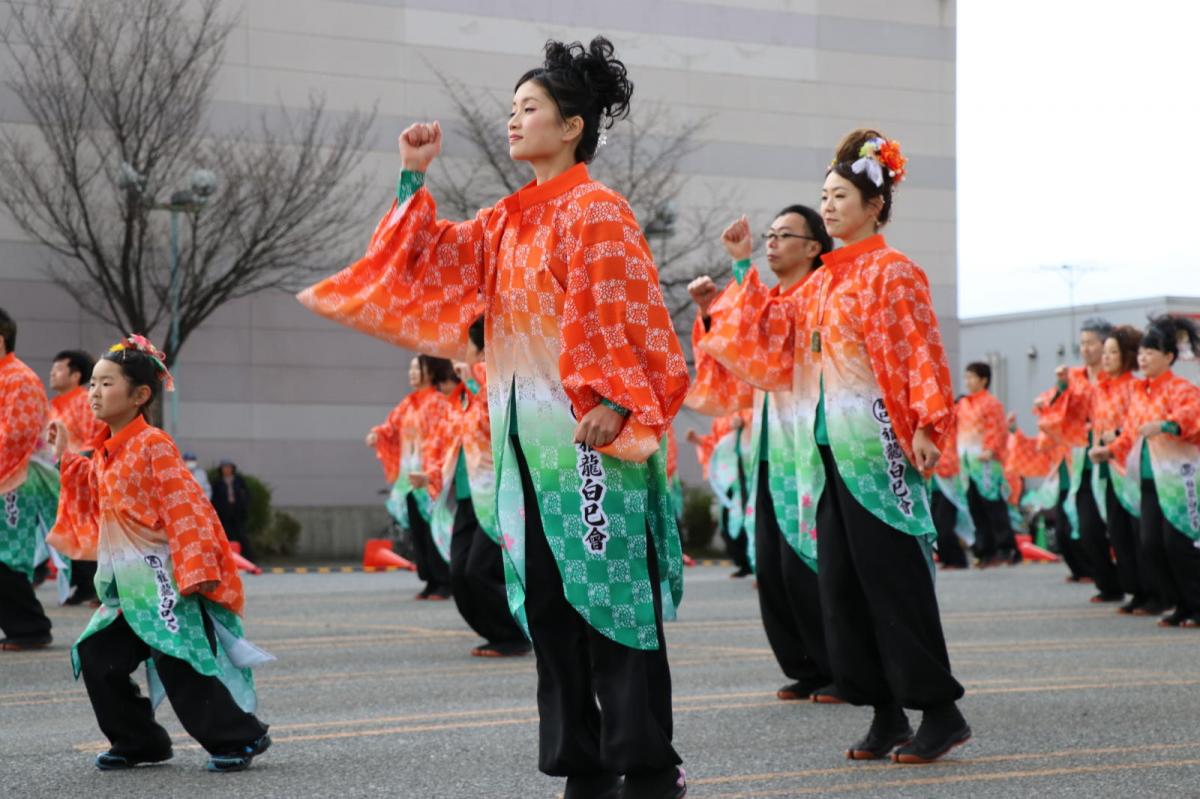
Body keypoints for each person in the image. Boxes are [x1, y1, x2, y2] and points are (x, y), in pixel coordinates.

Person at [298, 37, 688, 799]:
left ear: (572, 125)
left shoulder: (597, 210)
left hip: (588, 447)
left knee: (610, 604)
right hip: (523, 450)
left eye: (529, 108)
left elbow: (633, 318)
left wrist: (616, 401)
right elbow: (416, 265)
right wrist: (413, 176)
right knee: (548, 607)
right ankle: (584, 765)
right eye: (510, 108)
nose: (513, 120)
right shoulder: (502, 223)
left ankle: (645, 765)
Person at [48, 335, 271, 772]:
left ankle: (240, 737)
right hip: (128, 589)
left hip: (165, 581)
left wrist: (197, 569)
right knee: (96, 657)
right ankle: (140, 742)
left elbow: (186, 509)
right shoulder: (107, 451)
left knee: (180, 661)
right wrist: (64, 456)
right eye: (92, 384)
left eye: (106, 384)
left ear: (140, 395)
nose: (94, 393)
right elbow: (94, 486)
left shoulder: (154, 444)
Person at [688, 205, 841, 704]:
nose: (771, 243)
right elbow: (737, 356)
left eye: (784, 235)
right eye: (769, 235)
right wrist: (713, 309)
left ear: (814, 247)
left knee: (811, 561)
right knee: (773, 565)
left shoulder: (822, 293)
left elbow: (768, 333)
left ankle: (843, 666)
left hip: (815, 442)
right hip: (772, 441)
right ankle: (805, 665)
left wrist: (738, 272)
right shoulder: (767, 295)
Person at [426, 317, 531, 657]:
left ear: (483, 349)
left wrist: (477, 373)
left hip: (496, 496)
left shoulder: (498, 383)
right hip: (468, 495)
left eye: (470, 347)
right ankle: (495, 632)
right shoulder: (466, 395)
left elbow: (495, 410)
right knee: (459, 574)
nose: (465, 355)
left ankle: (515, 633)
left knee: (479, 571)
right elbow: (449, 441)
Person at [1092, 315, 1200, 628]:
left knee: (1178, 543)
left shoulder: (1182, 389)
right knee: (1151, 543)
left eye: (1151, 352)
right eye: (1141, 352)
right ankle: (1179, 603)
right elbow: (1130, 433)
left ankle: (1195, 604)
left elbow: (1191, 419)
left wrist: (1165, 424)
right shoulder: (1141, 392)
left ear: (1169, 357)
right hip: (1149, 480)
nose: (1143, 357)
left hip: (1178, 479)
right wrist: (1108, 450)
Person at [0, 308, 55, 651]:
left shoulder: (19, 378)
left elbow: (15, 435)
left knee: (6, 557)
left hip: (14, 480)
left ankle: (30, 627)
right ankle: (24, 625)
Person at [1093, 326, 1153, 613]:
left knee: (1138, 532)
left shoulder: (1134, 386)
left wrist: (1114, 436)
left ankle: (1151, 591)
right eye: (1104, 352)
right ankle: (1133, 589)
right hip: (1108, 466)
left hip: (1131, 467)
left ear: (1127, 355)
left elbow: (1135, 424)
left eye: (1113, 352)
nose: (1106, 357)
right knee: (1118, 533)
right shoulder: (1101, 388)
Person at [390, 355, 459, 600]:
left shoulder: (438, 402)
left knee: (435, 528)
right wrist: (379, 435)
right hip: (410, 478)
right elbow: (392, 426)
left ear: (429, 372)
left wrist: (433, 471)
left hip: (430, 475)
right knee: (418, 531)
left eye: (416, 368)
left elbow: (444, 437)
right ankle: (429, 578)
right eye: (409, 369)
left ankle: (443, 581)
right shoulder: (408, 403)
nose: (411, 373)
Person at [47, 349, 106, 604]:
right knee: (67, 529)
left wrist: (80, 460)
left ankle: (93, 585)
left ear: (75, 375)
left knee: (86, 529)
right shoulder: (53, 406)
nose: (52, 373)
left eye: (59, 368)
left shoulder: (85, 401)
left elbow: (98, 435)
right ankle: (82, 584)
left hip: (82, 474)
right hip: (57, 476)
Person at [957, 363, 1018, 566]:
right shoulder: (963, 404)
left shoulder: (991, 403)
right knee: (975, 507)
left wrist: (990, 450)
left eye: (972, 377)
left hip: (986, 463)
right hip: (967, 463)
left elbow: (997, 428)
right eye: (966, 377)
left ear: (984, 380)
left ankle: (1006, 548)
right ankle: (985, 551)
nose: (968, 381)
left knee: (994, 506)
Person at [686, 409, 754, 578]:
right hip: (726, 475)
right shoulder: (720, 417)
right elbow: (714, 444)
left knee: (749, 520)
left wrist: (745, 424)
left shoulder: (749, 406)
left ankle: (756, 564)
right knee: (726, 520)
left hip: (746, 473)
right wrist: (697, 440)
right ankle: (743, 562)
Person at [930, 412, 972, 570]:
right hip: (934, 481)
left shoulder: (949, 418)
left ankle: (958, 559)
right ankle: (947, 558)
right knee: (936, 523)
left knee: (944, 523)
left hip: (949, 481)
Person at [211, 460, 253, 562]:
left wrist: (244, 505)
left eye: (229, 467)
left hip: (237, 510)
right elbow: (215, 499)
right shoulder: (217, 482)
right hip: (224, 512)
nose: (227, 470)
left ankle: (247, 558)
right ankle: (227, 559)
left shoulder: (239, 480)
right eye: (225, 468)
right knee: (226, 535)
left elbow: (246, 494)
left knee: (241, 534)